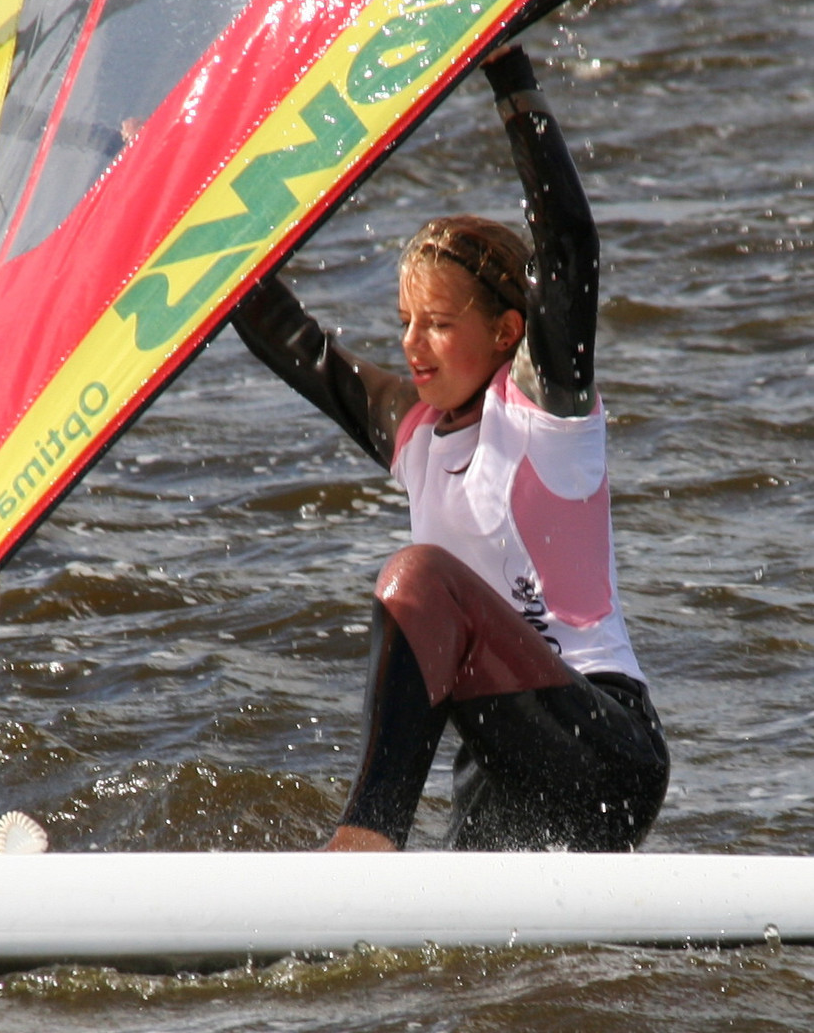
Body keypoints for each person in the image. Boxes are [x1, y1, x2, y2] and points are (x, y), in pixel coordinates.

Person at [232, 44, 669, 853]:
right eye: (405, 322)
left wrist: (510, 80)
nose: (412, 345)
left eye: (438, 322)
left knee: (419, 578)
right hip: (502, 769)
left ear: (506, 331)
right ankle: (375, 869)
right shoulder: (414, 431)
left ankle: (364, 842)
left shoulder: (545, 405)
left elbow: (569, 246)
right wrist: (187, 215)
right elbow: (287, 339)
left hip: (606, 754)